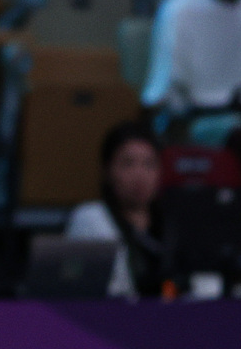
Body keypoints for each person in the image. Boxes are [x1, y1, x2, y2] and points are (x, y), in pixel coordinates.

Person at [63, 122, 166, 299]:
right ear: (107, 170)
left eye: (149, 164)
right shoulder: (91, 218)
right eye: (128, 164)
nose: (139, 174)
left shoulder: (170, 222)